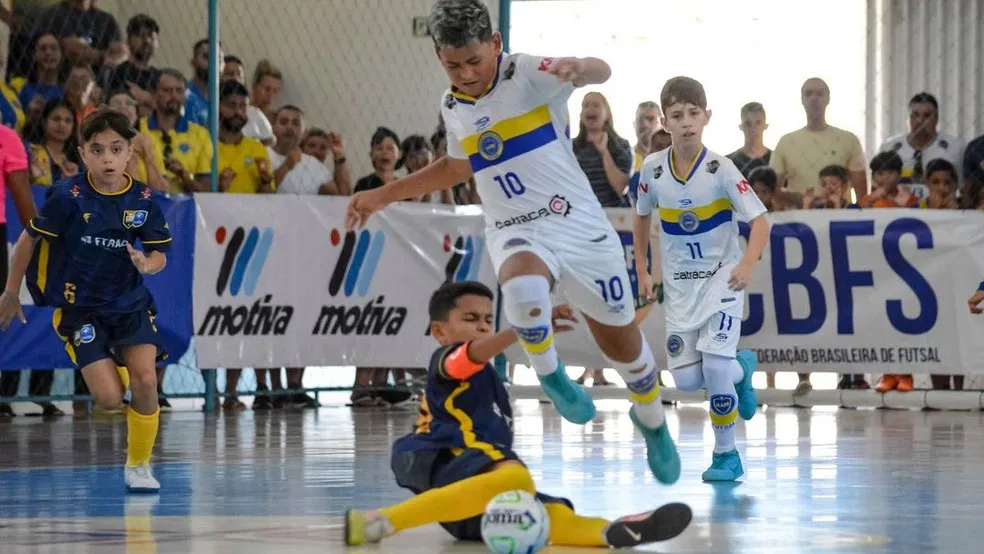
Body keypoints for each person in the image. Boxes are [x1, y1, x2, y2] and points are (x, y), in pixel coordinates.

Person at [346, 0, 680, 484]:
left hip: (580, 227)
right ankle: (550, 375)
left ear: (496, 45)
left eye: (474, 61)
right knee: (523, 291)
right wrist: (383, 195)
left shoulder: (526, 73)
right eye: (452, 64)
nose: (464, 73)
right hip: (516, 225)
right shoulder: (452, 105)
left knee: (625, 349)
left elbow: (601, 70)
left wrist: (581, 68)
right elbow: (459, 166)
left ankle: (650, 421)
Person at [344, 281, 693, 547]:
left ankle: (607, 532)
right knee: (517, 480)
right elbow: (471, 354)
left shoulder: (488, 375)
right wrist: (526, 331)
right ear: (440, 331)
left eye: (486, 319)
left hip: (468, 493)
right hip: (445, 457)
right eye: (470, 319)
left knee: (546, 511)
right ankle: (379, 521)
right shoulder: (448, 361)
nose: (482, 326)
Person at [0, 108, 171, 493]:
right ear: (82, 154)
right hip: (81, 311)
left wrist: (148, 264)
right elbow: (29, 239)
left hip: (130, 305)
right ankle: (119, 370)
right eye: (97, 150)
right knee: (109, 399)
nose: (107, 158)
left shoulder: (143, 199)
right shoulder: (67, 197)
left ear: (130, 152)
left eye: (116, 149)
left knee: (146, 382)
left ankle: (139, 465)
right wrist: (11, 292)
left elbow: (160, 253)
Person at [633, 76, 769, 482]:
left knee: (713, 369)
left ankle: (726, 455)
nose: (687, 122)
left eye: (694, 113)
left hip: (722, 284)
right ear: (665, 121)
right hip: (679, 288)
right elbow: (641, 217)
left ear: (707, 117)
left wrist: (745, 264)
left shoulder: (721, 169)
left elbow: (760, 222)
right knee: (689, 381)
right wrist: (641, 268)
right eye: (677, 115)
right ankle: (742, 367)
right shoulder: (652, 169)